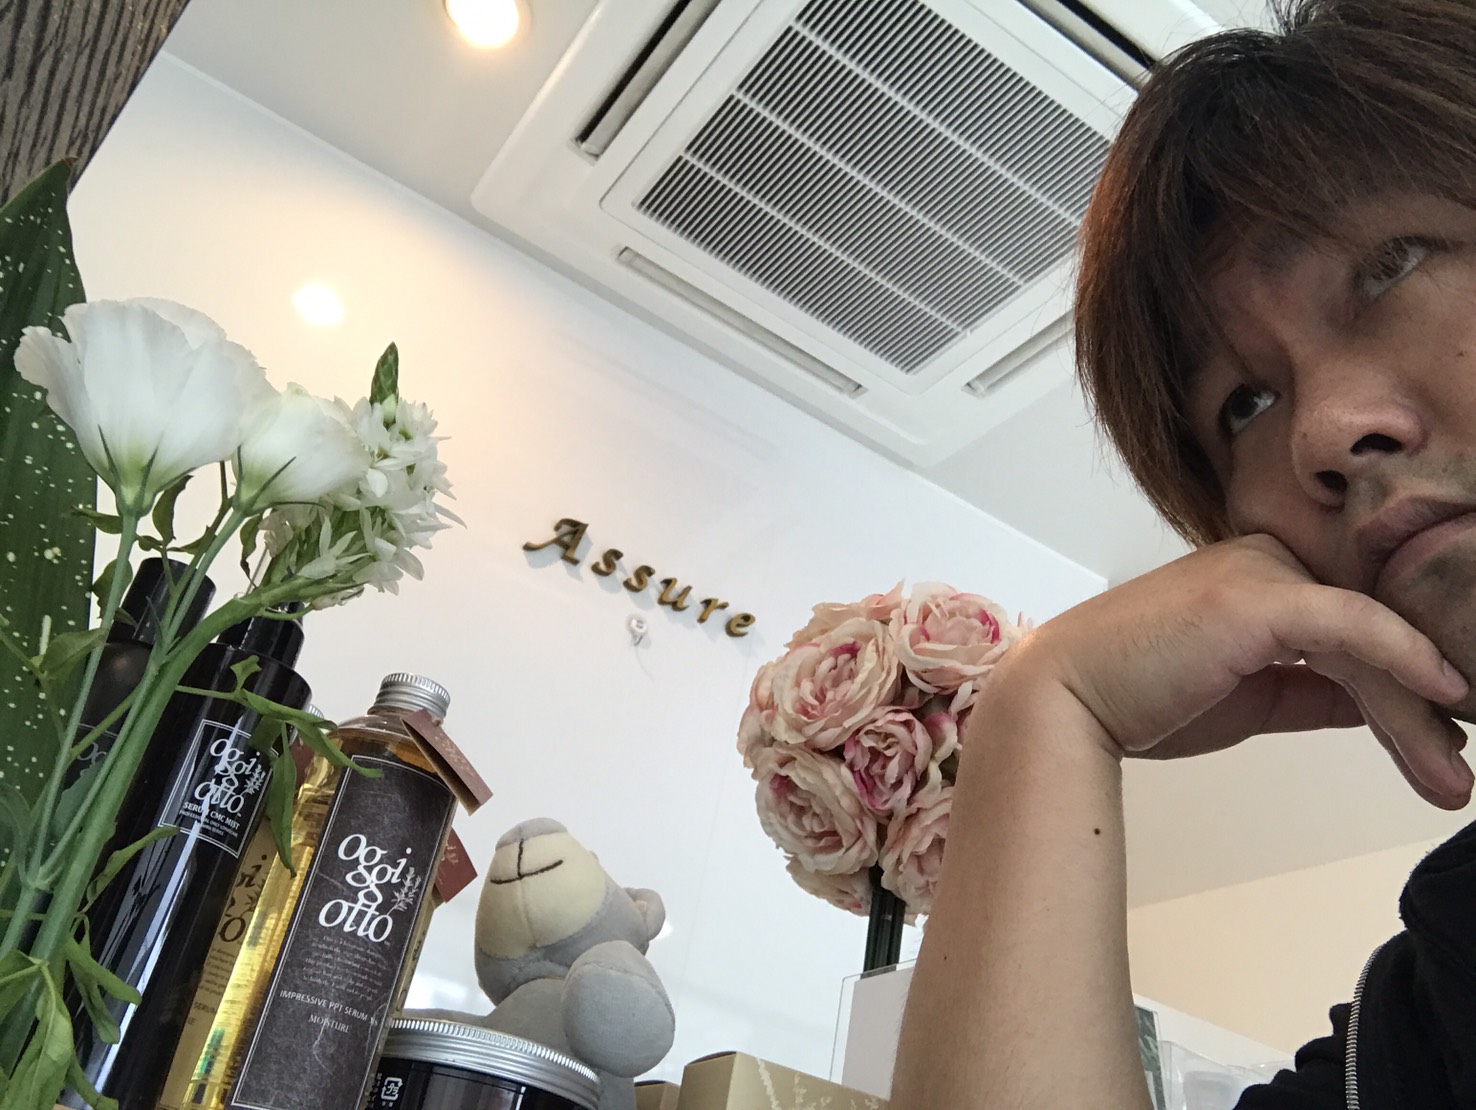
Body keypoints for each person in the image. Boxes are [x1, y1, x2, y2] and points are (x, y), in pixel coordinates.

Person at [890, 1, 1476, 1107]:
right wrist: (1046, 707)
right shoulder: (1420, 1030)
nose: (1322, 434)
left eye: (1392, 266)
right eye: (1243, 403)